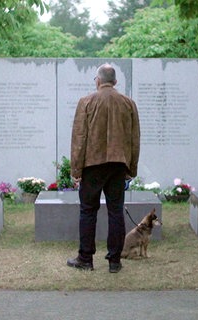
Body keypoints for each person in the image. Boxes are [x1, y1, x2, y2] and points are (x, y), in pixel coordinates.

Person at [66, 63, 141, 273]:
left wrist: (76, 170)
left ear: (98, 81)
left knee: (88, 210)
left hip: (93, 164)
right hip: (118, 164)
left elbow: (79, 138)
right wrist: (131, 168)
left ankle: (85, 258)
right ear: (115, 82)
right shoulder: (128, 104)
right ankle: (115, 261)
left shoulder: (86, 102)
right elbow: (135, 139)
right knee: (115, 210)